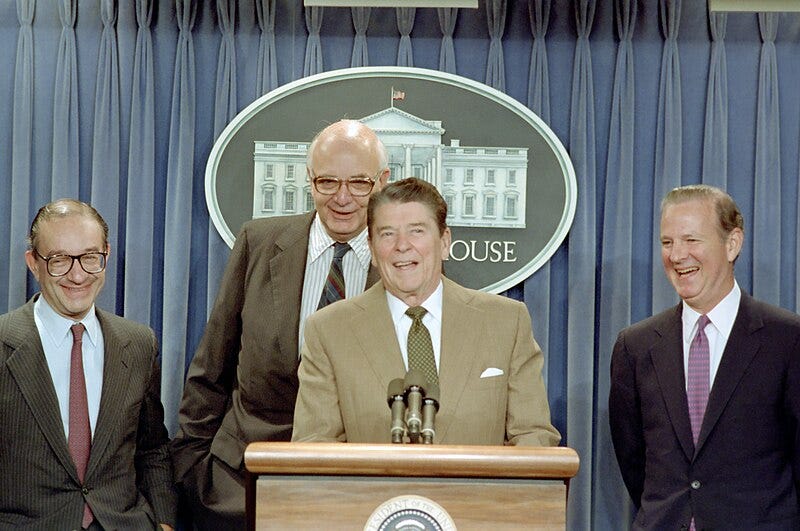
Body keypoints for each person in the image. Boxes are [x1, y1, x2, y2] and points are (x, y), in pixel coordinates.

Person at [171, 119, 390, 528]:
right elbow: (209, 373)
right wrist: (194, 471)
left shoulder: (404, 261)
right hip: (241, 489)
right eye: (327, 182)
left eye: (359, 183)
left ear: (382, 181)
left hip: (358, 490)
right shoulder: (258, 243)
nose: (342, 198)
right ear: (309, 180)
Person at [292, 177, 560, 446]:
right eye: (387, 234)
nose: (402, 245)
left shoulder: (505, 322)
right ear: (372, 249)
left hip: (476, 489)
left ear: (444, 242)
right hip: (373, 489)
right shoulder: (329, 331)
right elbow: (314, 446)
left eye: (416, 231)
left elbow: (533, 437)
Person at [609, 184, 800, 529]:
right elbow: (633, 460)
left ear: (732, 244)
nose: (677, 255)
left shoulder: (788, 339)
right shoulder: (635, 347)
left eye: (691, 240)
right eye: (667, 243)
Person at [0, 199, 176, 530]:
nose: (78, 275)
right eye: (60, 260)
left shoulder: (138, 344)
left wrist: (164, 523)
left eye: (90, 257)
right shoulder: (3, 342)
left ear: (105, 256)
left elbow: (153, 450)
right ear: (33, 263)